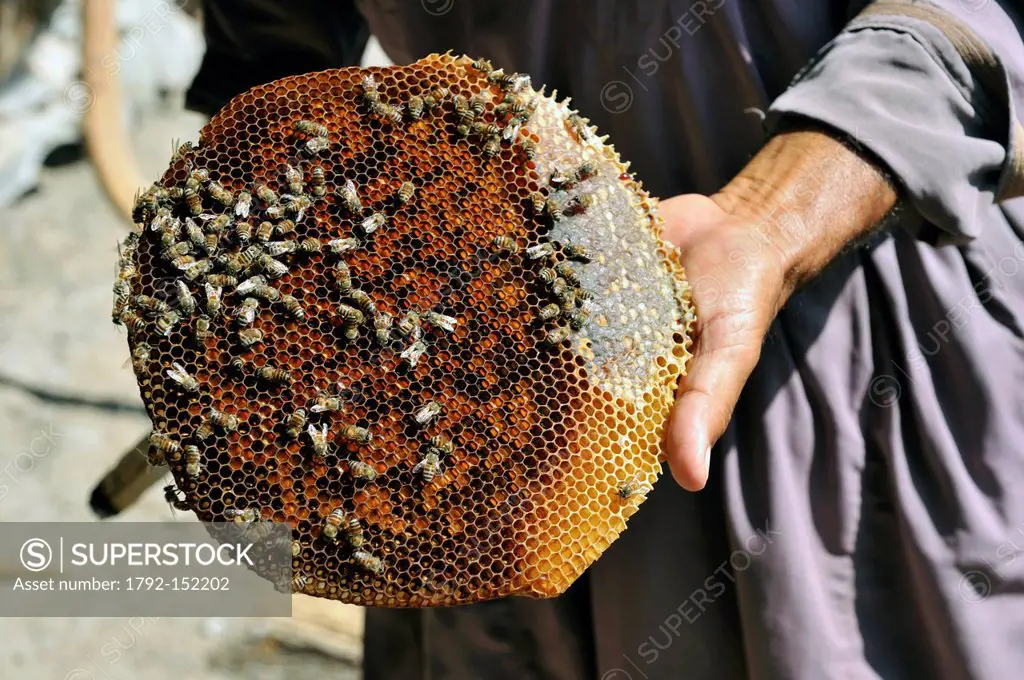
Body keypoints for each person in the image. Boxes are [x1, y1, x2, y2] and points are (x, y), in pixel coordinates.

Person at [188, 1, 1024, 678]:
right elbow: (272, 42)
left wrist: (776, 212)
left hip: (859, 321)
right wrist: (257, 327)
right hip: (455, 420)